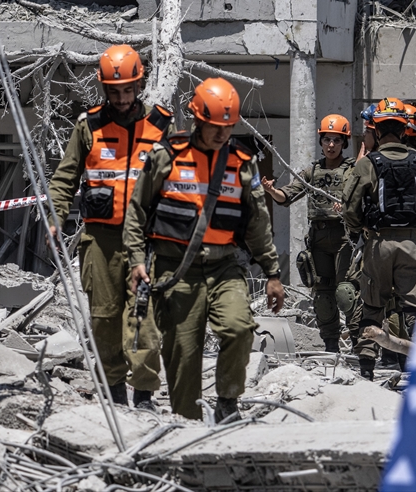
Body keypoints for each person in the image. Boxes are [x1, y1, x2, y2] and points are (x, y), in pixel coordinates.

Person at [123, 78, 284, 422]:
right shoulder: (167, 157)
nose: (222, 134)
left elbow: (257, 223)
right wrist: (137, 260)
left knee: (239, 327)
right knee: (183, 353)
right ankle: (187, 423)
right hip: (175, 270)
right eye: (214, 127)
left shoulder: (241, 163)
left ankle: (228, 401)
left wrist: (272, 273)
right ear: (198, 120)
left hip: (224, 267)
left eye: (227, 127)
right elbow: (135, 212)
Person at [47, 45, 170, 411]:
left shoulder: (162, 125)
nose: (121, 98)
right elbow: (65, 178)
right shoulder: (88, 126)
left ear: (140, 85)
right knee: (104, 318)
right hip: (99, 240)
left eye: (128, 90)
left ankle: (144, 397)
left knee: (143, 319)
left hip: (146, 241)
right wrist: (55, 216)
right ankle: (115, 395)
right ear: (103, 89)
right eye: (114, 92)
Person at [342, 97, 416, 380]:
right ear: (403, 129)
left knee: (373, 306)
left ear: (376, 128)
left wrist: (362, 228)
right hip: (412, 244)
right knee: (413, 308)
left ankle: (366, 368)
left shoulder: (368, 163)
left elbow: (350, 206)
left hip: (378, 244)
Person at [262, 114, 356, 353]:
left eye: (336, 140)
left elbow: (364, 201)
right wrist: (272, 191)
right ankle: (331, 346)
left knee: (346, 294)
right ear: (321, 142)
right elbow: (288, 195)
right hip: (319, 240)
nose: (331, 145)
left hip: (345, 239)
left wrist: (346, 207)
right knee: (323, 297)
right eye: (327, 140)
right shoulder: (312, 172)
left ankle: (360, 345)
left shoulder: (354, 170)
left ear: (344, 142)